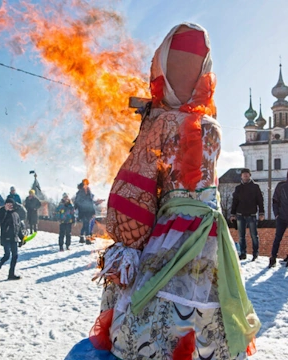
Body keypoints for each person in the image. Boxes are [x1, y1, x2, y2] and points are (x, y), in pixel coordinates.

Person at [86, 23, 260, 359]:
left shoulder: (163, 123)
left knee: (148, 308)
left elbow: (136, 189)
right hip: (212, 232)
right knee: (210, 302)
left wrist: (126, 243)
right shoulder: (211, 124)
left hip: (172, 230)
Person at [230, 168, 265, 261]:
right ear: (241, 176)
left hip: (251, 214)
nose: (245, 176)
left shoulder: (255, 187)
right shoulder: (238, 188)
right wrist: (232, 214)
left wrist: (261, 212)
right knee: (241, 236)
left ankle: (255, 253)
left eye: (247, 174)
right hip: (240, 214)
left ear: (250, 175)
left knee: (254, 235)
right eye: (243, 174)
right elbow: (234, 202)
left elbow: (260, 201)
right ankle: (243, 253)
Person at [0, 198, 24, 281]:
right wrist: (5, 210)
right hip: (6, 237)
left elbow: (18, 227)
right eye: (8, 204)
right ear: (5, 205)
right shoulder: (2, 212)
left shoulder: (15, 214)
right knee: (7, 255)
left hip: (14, 238)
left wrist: (22, 237)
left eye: (11, 205)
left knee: (15, 256)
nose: (10, 206)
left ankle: (11, 273)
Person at [75, 179, 97, 245]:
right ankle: (87, 240)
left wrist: (93, 211)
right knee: (87, 225)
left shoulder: (87, 192)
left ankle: (82, 237)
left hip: (87, 211)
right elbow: (77, 202)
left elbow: (90, 202)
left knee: (86, 224)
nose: (86, 185)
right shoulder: (81, 192)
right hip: (84, 211)